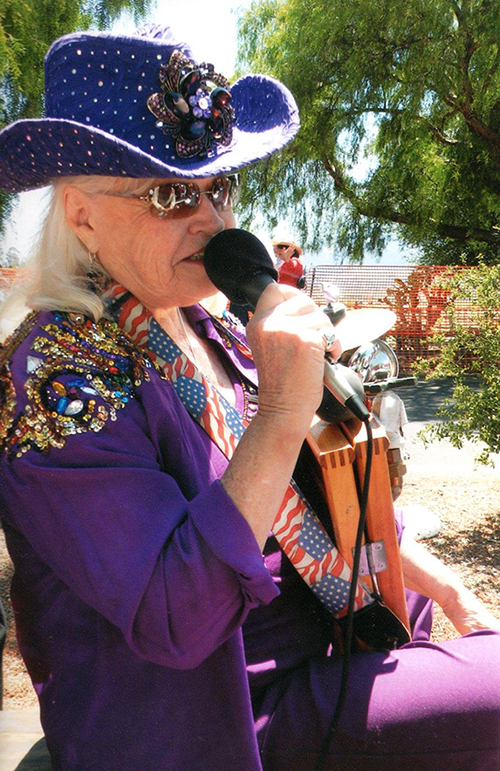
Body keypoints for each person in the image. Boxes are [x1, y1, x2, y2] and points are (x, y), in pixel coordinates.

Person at [0, 23, 499, 771]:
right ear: (81, 214)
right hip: (219, 719)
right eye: (171, 193)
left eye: (220, 187)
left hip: (332, 637)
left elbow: (316, 496)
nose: (212, 220)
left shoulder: (208, 320)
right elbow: (175, 618)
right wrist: (282, 415)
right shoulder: (56, 378)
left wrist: (450, 590)